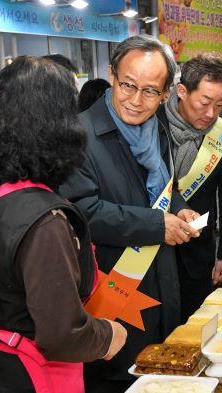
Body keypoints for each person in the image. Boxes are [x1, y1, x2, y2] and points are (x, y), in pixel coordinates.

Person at [0, 56, 126, 392]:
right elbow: (62, 334)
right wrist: (108, 336)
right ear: (61, 126)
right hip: (29, 373)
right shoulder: (45, 221)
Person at [59, 35, 200, 392]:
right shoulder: (78, 134)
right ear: (111, 75)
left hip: (162, 279)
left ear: (167, 93)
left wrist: (180, 211)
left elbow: (168, 190)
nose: (136, 101)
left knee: (159, 374)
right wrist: (157, 224)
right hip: (111, 291)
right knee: (117, 379)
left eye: (151, 91)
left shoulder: (159, 129)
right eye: (127, 85)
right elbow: (81, 211)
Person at [161, 54, 222, 321]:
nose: (211, 114)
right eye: (205, 102)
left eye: (220, 104)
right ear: (182, 91)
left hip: (196, 255)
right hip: (148, 251)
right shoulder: (152, 123)